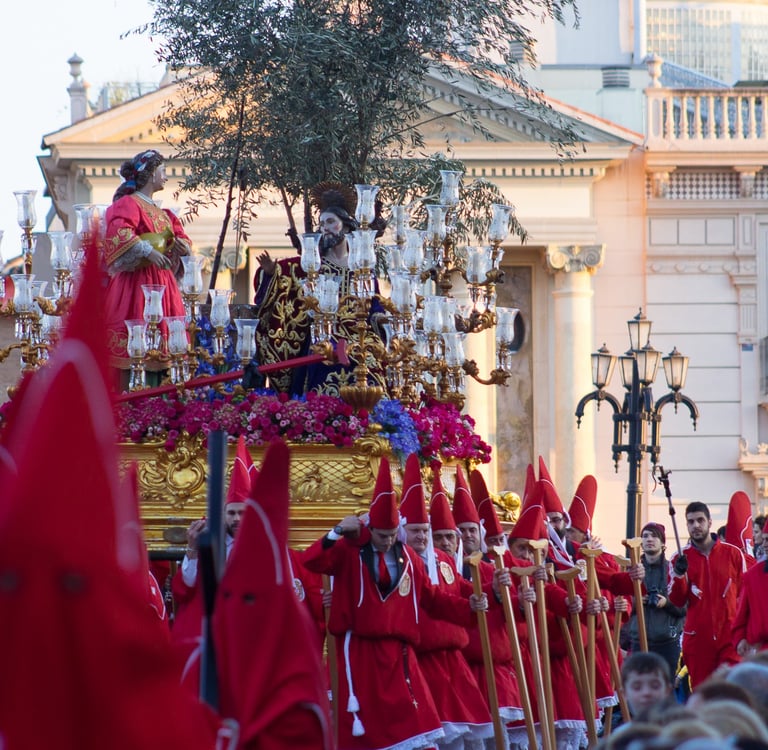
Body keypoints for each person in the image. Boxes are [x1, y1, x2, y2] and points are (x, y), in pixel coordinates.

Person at [302, 457, 489, 750]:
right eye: (382, 535)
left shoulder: (408, 557)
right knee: (364, 728)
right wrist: (336, 532)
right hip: (359, 652)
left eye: (392, 535)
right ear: (370, 529)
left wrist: (469, 608)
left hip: (400, 653)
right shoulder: (349, 553)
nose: (387, 541)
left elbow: (432, 597)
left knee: (417, 723)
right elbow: (311, 561)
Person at [253, 183, 386, 396]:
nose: (324, 228)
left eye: (331, 222)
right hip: (324, 334)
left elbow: (375, 303)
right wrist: (271, 273)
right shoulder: (312, 265)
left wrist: (382, 321)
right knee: (321, 359)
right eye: (321, 223)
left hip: (359, 336)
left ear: (346, 226)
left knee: (372, 362)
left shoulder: (362, 267)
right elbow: (287, 275)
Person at [104, 149, 192, 389]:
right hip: (136, 284)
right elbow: (119, 233)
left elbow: (180, 237)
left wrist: (181, 246)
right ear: (150, 174)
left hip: (163, 285)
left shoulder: (165, 214)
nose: (166, 176)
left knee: (165, 347)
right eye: (163, 171)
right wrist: (148, 251)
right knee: (135, 340)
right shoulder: (129, 204)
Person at [669, 501, 747, 689]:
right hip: (698, 639)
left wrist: (745, 633)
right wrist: (679, 575)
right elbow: (677, 600)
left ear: (710, 522)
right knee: (703, 693)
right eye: (691, 522)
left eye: (700, 520)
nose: (696, 525)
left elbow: (746, 595)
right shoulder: (679, 557)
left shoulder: (733, 554)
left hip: (729, 636)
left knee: (732, 690)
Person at [627, 522, 686, 680]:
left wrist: (666, 603)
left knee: (665, 691)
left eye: (654, 535)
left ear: (663, 542)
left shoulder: (674, 571)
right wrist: (637, 601)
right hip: (638, 642)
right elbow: (621, 605)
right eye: (645, 536)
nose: (649, 539)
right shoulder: (632, 572)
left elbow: (684, 607)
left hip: (667, 642)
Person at [733, 519, 768, 659]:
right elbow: (741, 616)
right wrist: (740, 639)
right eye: (764, 540)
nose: (764, 545)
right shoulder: (752, 575)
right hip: (761, 655)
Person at [620, 651, 675, 720]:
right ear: (624, 693)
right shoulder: (623, 731)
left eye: (655, 686)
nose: (646, 692)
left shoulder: (682, 730)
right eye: (637, 687)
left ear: (667, 690)